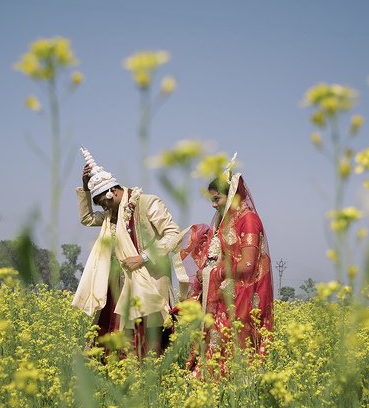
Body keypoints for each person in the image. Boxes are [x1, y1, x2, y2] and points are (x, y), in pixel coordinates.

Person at [72, 147, 184, 357]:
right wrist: (86, 189)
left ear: (112, 191)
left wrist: (143, 257)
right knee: (115, 342)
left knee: (150, 343)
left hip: (148, 281)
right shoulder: (110, 215)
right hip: (118, 285)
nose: (105, 209)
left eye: (105, 203)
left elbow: (173, 234)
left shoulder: (147, 203)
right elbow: (87, 218)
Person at [181, 167, 273, 375]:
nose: (214, 205)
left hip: (243, 293)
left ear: (232, 195)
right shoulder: (228, 220)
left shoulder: (248, 220)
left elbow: (248, 265)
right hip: (226, 291)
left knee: (233, 346)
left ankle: (228, 388)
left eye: (217, 199)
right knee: (216, 342)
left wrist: (214, 273)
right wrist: (207, 271)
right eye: (211, 201)